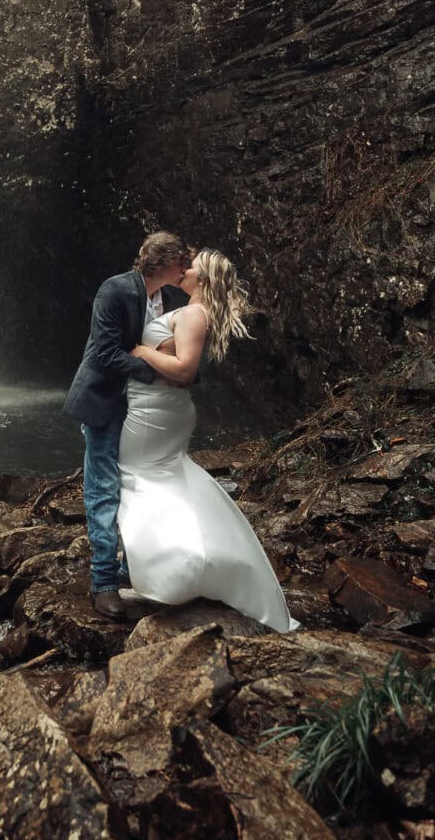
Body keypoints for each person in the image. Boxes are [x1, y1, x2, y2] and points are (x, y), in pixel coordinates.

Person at [120, 248, 300, 633]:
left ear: (202, 279)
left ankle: (170, 572)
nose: (184, 268)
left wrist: (141, 352)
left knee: (136, 477)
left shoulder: (193, 315)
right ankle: (184, 561)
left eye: (192, 266)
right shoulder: (190, 312)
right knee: (160, 478)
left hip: (158, 411)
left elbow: (184, 370)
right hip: (156, 408)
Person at [63, 232, 192, 619]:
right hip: (106, 401)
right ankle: (103, 584)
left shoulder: (172, 299)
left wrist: (180, 372)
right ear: (164, 262)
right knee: (103, 490)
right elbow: (105, 353)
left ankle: (133, 567)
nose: (186, 268)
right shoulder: (115, 290)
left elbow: (182, 349)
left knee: (141, 485)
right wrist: (155, 371)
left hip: (147, 410)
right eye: (181, 261)